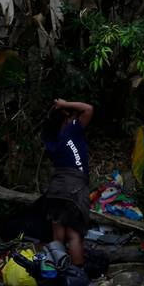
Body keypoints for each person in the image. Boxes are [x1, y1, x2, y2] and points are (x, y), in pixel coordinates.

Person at [42, 98, 94, 267]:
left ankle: (59, 269)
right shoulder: (71, 130)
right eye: (73, 116)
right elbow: (88, 108)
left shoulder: (51, 138)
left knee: (58, 233)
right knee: (74, 234)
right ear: (66, 118)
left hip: (56, 188)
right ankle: (77, 272)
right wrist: (65, 104)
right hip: (74, 188)